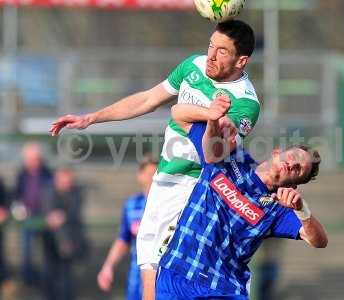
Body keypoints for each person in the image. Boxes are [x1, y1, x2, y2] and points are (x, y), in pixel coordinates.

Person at [50, 19, 261, 299]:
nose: (211, 55)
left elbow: (216, 153)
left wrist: (213, 118)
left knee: (167, 275)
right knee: (148, 263)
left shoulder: (245, 103)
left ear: (241, 61)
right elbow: (149, 99)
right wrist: (91, 118)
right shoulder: (194, 66)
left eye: (222, 51)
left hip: (196, 188)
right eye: (211, 45)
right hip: (164, 180)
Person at [155, 103, 328, 299]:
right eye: (293, 156)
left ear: (294, 185)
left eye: (298, 169)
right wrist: (212, 115)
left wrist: (302, 209)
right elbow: (178, 114)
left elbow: (319, 241)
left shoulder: (278, 209)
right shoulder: (230, 154)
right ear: (277, 152)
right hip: (178, 274)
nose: (292, 164)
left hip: (223, 289)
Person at [97, 158, 157, 300]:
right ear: (140, 175)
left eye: (155, 173)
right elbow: (123, 239)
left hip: (158, 273)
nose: (152, 178)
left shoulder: (168, 205)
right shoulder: (132, 204)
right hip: (136, 274)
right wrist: (108, 266)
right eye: (149, 173)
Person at [42, 167, 88, 300]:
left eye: (68, 181)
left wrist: (62, 216)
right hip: (50, 241)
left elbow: (74, 213)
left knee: (66, 278)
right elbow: (45, 210)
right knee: (49, 275)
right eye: (62, 180)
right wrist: (52, 217)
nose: (65, 183)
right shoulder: (48, 192)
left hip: (70, 241)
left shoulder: (76, 193)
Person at [14, 142, 52, 285]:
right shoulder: (21, 174)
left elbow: (51, 195)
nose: (31, 162)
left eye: (34, 159)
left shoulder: (48, 174)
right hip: (27, 217)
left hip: (44, 217)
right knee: (27, 250)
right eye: (28, 159)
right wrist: (18, 208)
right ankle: (28, 280)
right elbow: (17, 194)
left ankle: (46, 280)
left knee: (46, 251)